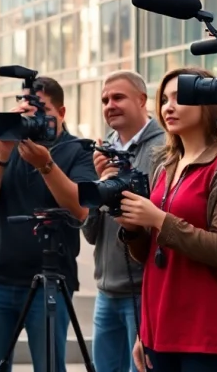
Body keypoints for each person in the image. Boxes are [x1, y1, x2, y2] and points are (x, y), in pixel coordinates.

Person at [118, 67, 217, 372]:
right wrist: (133, 230)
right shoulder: (164, 166)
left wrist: (160, 219)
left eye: (180, 97)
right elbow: (151, 256)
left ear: (206, 102)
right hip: (160, 331)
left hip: (207, 332)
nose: (168, 106)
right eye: (164, 99)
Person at [0, 76, 96, 372]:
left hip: (52, 279)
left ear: (61, 112)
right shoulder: (6, 144)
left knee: (50, 367)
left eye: (42, 111)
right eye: (27, 112)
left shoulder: (78, 150)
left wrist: (46, 165)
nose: (34, 120)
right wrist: (2, 155)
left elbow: (80, 210)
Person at [82, 71, 163, 372]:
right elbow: (91, 234)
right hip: (106, 291)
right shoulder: (103, 154)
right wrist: (100, 183)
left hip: (146, 292)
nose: (109, 105)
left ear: (142, 100)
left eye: (118, 97)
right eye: (105, 100)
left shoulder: (165, 148)